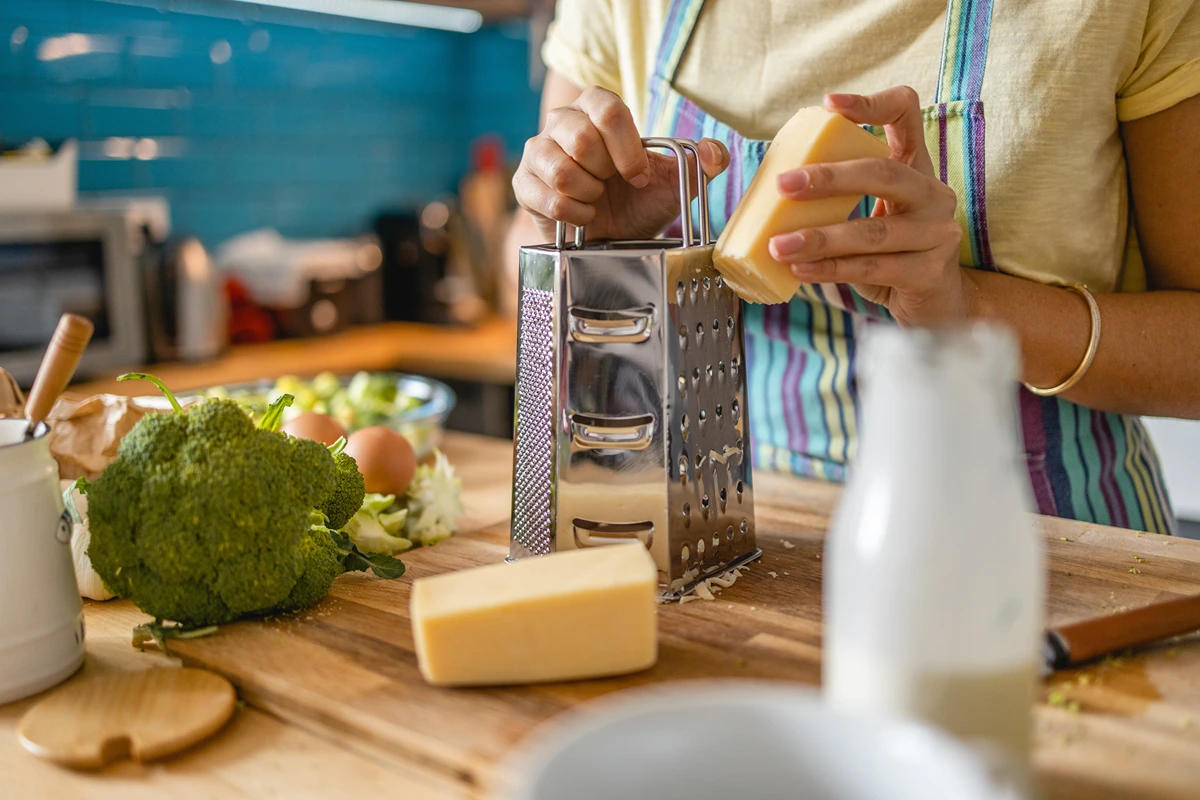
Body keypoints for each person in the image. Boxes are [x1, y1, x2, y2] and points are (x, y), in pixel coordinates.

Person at [505, 0, 1200, 534]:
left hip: (1050, 547)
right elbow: (523, 279)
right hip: (729, 540)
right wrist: (591, 244)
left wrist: (973, 308)